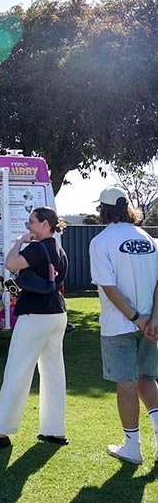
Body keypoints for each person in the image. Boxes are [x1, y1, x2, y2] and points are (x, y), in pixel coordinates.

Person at [0, 207, 68, 448]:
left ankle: (0, 431)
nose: (27, 226)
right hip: (57, 314)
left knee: (17, 370)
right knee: (53, 373)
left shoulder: (36, 248)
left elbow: (10, 262)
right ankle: (55, 430)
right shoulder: (59, 249)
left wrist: (20, 241)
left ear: (45, 224)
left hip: (35, 314)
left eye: (31, 222)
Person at [89, 186, 158, 465]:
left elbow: (108, 287)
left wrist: (137, 319)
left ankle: (133, 448)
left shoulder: (101, 242)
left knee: (127, 386)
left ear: (102, 210)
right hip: (149, 325)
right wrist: (152, 319)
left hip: (121, 325)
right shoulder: (149, 239)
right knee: (148, 380)